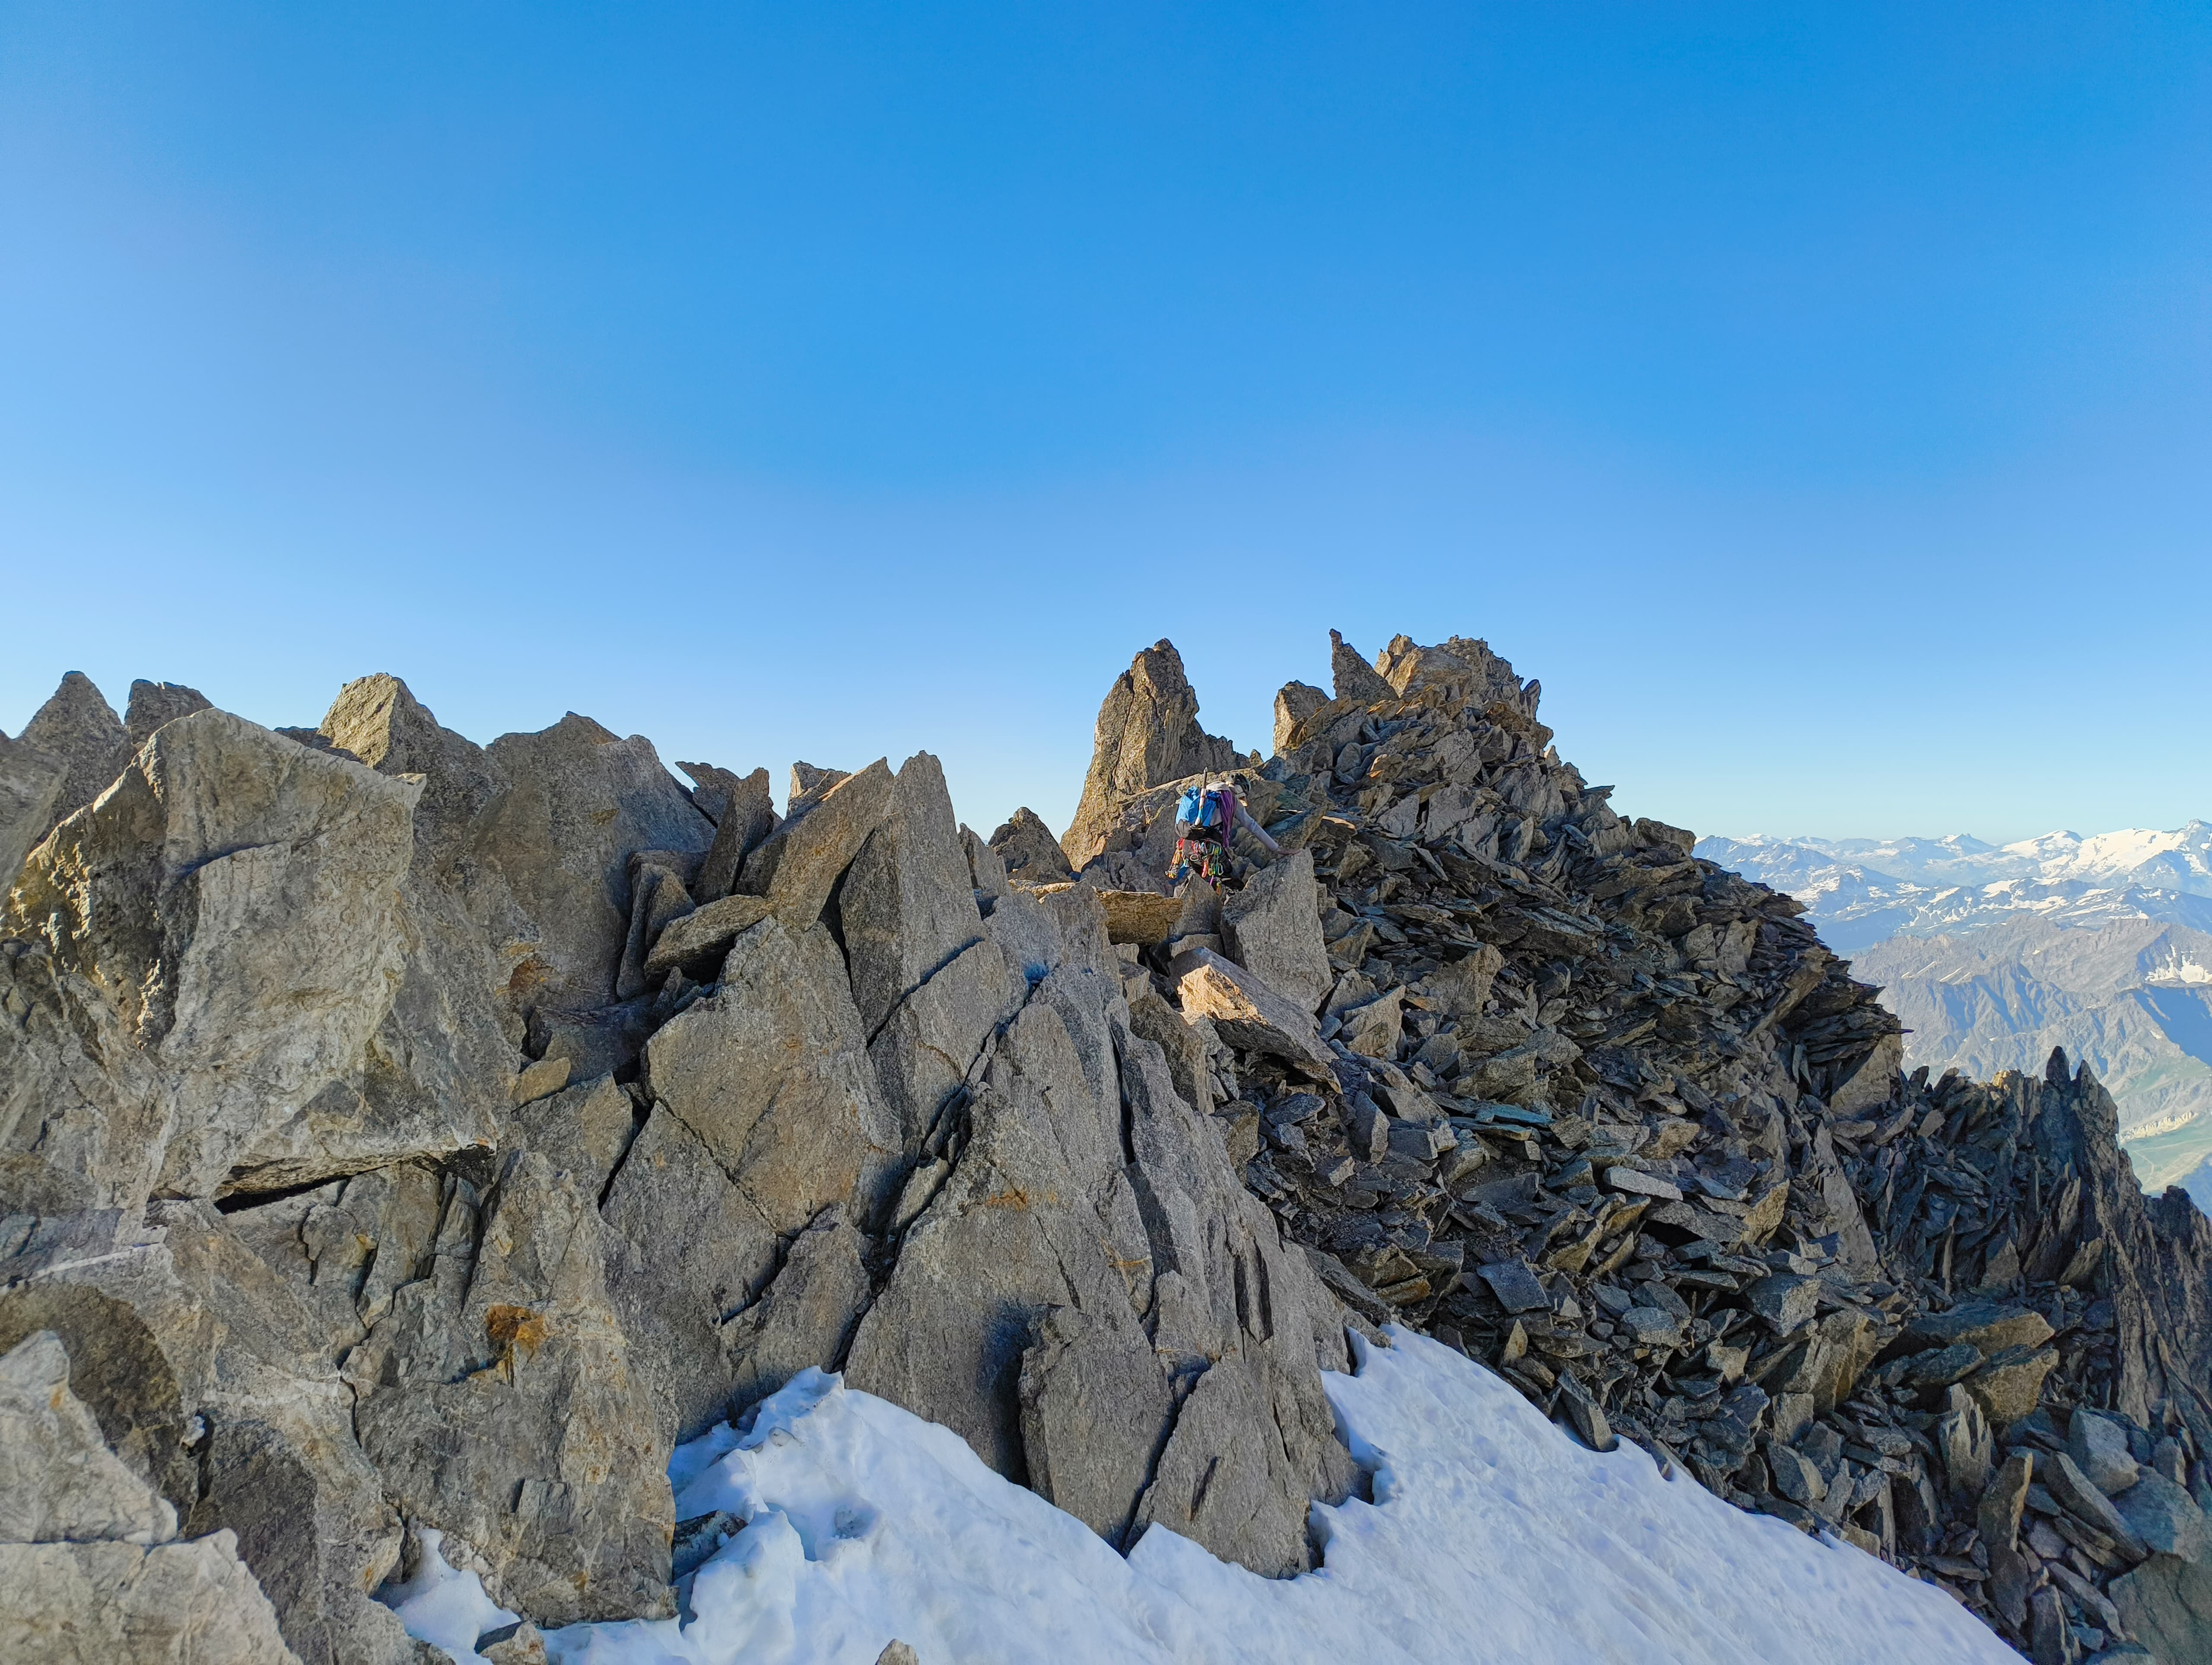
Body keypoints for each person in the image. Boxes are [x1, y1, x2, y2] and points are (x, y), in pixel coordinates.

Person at [1167, 779, 1281, 893]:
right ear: (1240, 791)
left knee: (1193, 877)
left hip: (1187, 844)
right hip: (1210, 848)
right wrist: (1276, 848)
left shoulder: (1205, 792)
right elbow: (1252, 826)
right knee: (1231, 880)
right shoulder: (1230, 799)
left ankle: (1177, 902)